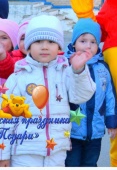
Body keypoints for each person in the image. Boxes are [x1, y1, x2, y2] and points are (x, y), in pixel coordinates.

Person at [0, 14, 96, 167]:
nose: (44, 46)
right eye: (38, 41)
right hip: (24, 153)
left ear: (58, 46)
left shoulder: (66, 72)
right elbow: (6, 119)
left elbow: (81, 96)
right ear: (29, 46)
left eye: (51, 42)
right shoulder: (17, 78)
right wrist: (2, 154)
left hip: (56, 151)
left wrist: (79, 71)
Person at [64, 18, 117, 167]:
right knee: (71, 163)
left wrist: (111, 121)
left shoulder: (102, 68)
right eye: (83, 41)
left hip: (95, 129)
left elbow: (110, 96)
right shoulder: (65, 65)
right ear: (74, 42)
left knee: (90, 163)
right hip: (71, 131)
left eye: (93, 42)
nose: (88, 46)